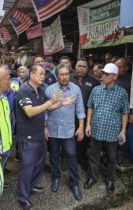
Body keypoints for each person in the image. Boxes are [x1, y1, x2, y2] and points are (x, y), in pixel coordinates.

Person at [15, 64, 74, 210]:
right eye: (41, 74)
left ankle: (31, 186)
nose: (44, 76)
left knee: (38, 164)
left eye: (44, 74)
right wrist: (50, 102)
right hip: (27, 137)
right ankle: (23, 197)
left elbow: (47, 107)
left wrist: (61, 103)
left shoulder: (40, 90)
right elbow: (29, 112)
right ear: (32, 74)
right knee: (27, 167)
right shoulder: (24, 90)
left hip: (39, 135)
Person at [84, 63, 130, 194]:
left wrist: (123, 130)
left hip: (112, 131)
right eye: (102, 73)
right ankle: (92, 177)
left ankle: (110, 180)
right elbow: (90, 107)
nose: (102, 76)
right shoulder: (96, 90)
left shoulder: (122, 93)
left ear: (114, 77)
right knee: (93, 156)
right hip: (96, 129)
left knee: (111, 158)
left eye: (106, 74)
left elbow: (125, 112)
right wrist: (88, 124)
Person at [45, 63, 85, 201]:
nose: (64, 77)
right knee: (54, 156)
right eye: (61, 74)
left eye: (66, 74)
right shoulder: (50, 90)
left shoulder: (76, 89)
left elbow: (80, 110)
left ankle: (74, 183)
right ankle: (56, 177)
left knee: (71, 157)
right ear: (57, 76)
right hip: (53, 130)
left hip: (68, 131)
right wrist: (44, 127)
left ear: (70, 75)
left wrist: (81, 127)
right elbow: (45, 109)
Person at [70, 58, 100, 170]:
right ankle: (67, 159)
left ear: (88, 69)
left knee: (83, 141)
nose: (82, 68)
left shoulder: (94, 82)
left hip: (86, 118)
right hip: (70, 117)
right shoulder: (68, 78)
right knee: (69, 140)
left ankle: (82, 159)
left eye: (84, 67)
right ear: (75, 67)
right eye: (79, 66)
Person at [115, 57, 133, 124]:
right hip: (113, 111)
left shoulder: (132, 79)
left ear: (126, 68)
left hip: (125, 112)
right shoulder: (111, 76)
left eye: (119, 67)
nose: (117, 69)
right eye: (115, 66)